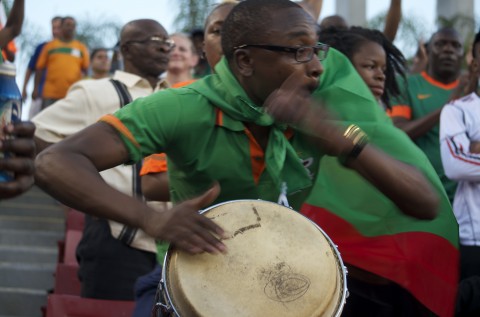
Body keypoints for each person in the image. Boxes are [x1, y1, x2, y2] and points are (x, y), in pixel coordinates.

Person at [35, 0, 440, 314]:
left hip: (282, 286)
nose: (316, 67)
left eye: (315, 49)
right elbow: (54, 162)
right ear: (245, 61)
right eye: (297, 52)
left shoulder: (317, 108)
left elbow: (423, 202)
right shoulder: (184, 107)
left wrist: (340, 137)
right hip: (187, 287)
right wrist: (152, 218)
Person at [32, 19, 172, 301]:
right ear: (127, 49)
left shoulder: (177, 96)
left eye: (167, 43)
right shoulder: (96, 91)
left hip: (172, 247)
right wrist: (83, 187)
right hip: (115, 240)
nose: (165, 49)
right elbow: (37, 132)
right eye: (156, 41)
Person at [390, 27, 463, 204]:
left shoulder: (473, 90)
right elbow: (397, 133)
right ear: (428, 51)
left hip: (467, 201)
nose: (448, 49)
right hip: (422, 196)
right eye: (441, 44)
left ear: (463, 54)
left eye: (455, 45)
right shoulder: (406, 84)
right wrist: (447, 107)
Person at [440, 30, 480, 316]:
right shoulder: (458, 111)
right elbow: (456, 165)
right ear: (475, 63)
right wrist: (468, 152)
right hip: (474, 240)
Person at [318, 26, 406, 110]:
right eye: (370, 66)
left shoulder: (375, 117)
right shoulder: (322, 115)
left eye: (384, 70)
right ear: (341, 66)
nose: (381, 76)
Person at [34, 16, 89, 110]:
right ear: (61, 27)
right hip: (50, 95)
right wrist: (35, 89)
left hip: (73, 95)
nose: (70, 28)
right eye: (67, 25)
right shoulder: (49, 46)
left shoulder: (81, 48)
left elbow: (86, 70)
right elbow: (39, 68)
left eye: (73, 25)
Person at [21, 16, 62, 119]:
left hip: (61, 96)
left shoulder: (72, 49)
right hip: (40, 94)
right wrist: (24, 89)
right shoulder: (43, 47)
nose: (55, 31)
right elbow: (31, 68)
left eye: (58, 28)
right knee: (33, 122)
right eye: (53, 28)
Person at [319, 0, 402, 42]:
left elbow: (387, 38)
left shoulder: (355, 53)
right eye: (330, 30)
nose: (338, 33)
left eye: (343, 29)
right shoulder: (315, 56)